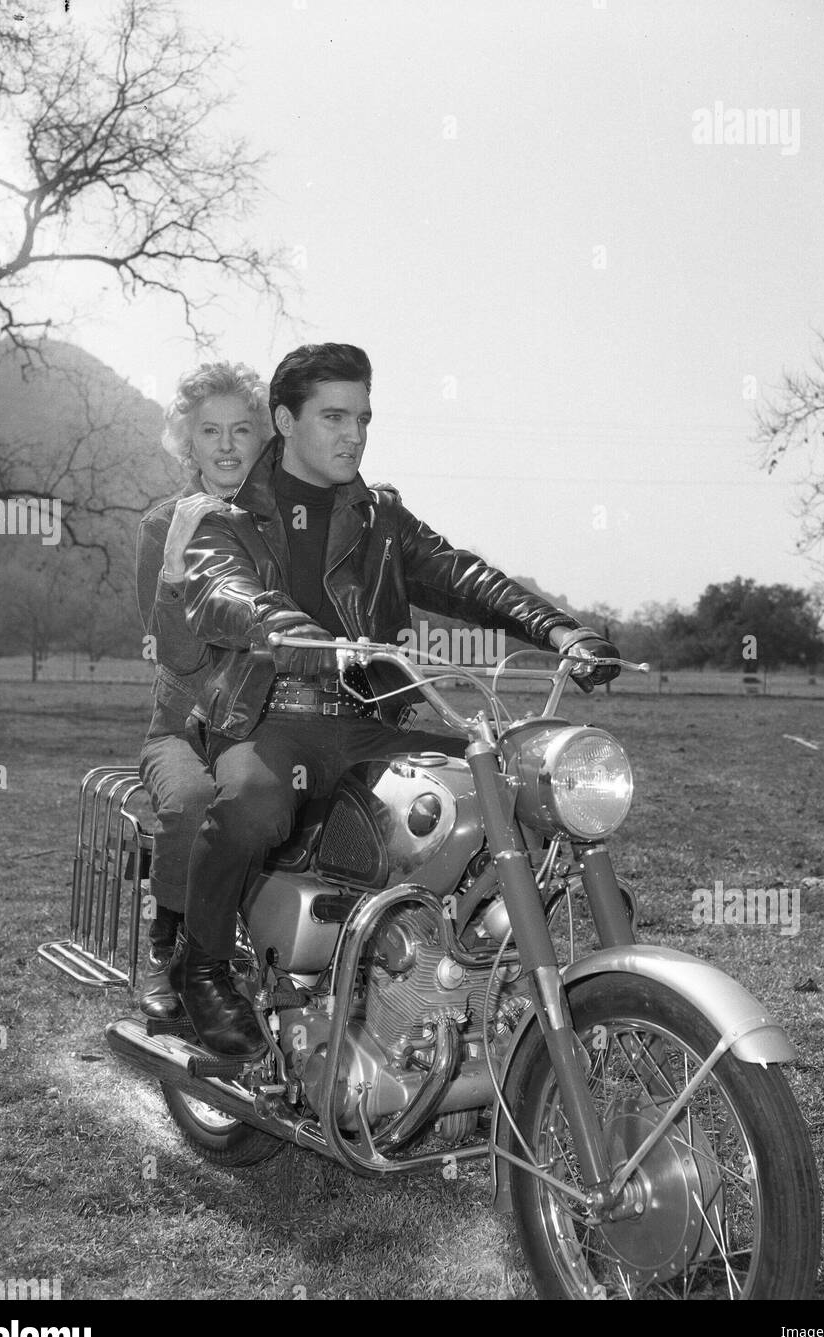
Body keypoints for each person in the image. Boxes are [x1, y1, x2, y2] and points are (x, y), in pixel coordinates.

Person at [168, 342, 622, 1057]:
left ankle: (459, 966)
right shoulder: (225, 523)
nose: (354, 434)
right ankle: (200, 967)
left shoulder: (381, 520)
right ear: (284, 421)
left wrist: (560, 630)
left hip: (368, 723)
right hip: (268, 720)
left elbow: (464, 577)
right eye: (334, 417)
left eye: (364, 419)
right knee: (253, 806)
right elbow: (229, 598)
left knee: (506, 785)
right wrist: (315, 640)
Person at [134, 362, 273, 1019]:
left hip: (264, 726)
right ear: (186, 443)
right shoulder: (165, 524)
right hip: (184, 728)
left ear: (263, 439)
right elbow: (171, 648)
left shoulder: (281, 529)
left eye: (241, 429)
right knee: (193, 801)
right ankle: (171, 953)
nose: (225, 444)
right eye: (209, 430)